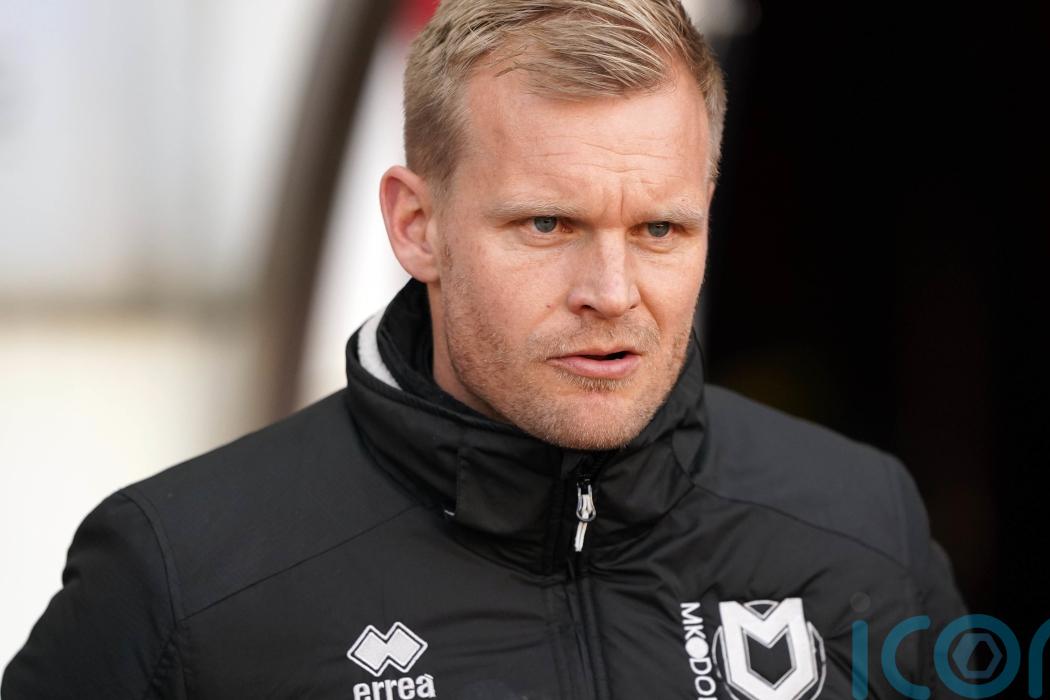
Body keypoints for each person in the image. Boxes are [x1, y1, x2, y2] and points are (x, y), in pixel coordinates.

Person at [3, 1, 967, 698]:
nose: (611, 293)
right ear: (416, 226)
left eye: (660, 230)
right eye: (547, 225)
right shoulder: (182, 574)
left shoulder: (861, 523)